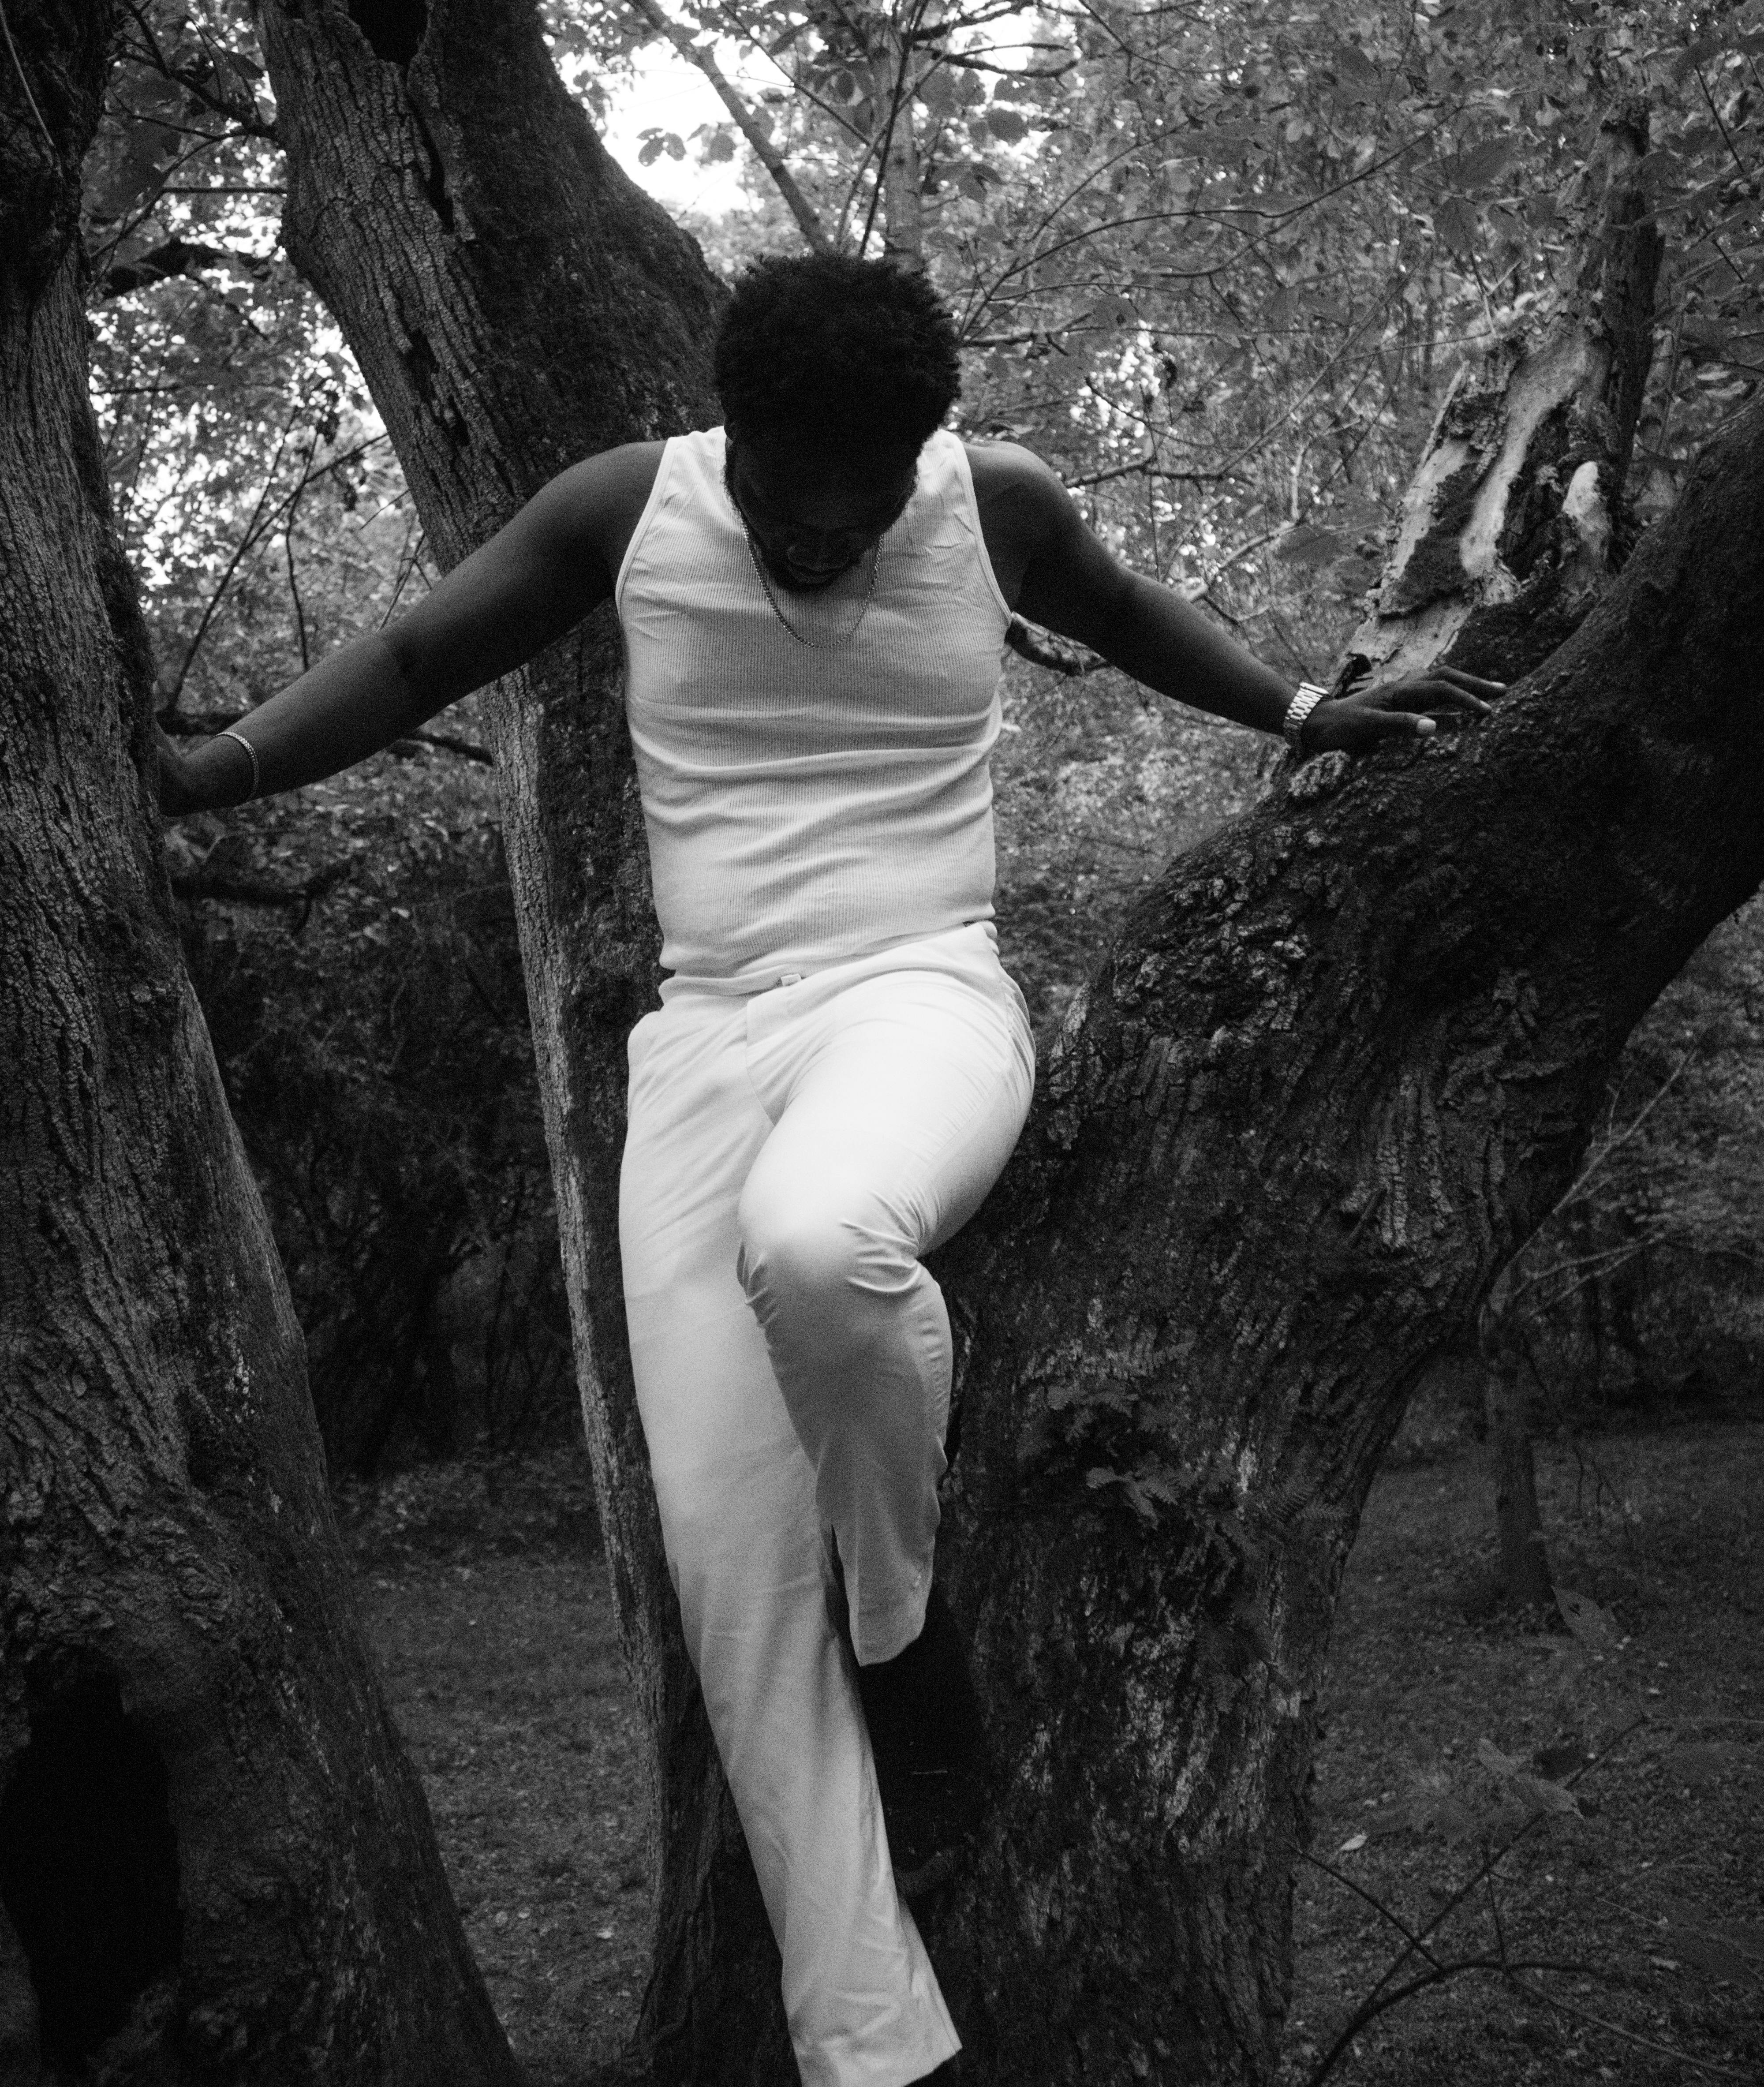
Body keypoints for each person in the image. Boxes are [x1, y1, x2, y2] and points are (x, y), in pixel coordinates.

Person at [159, 254, 1501, 2087]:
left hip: (919, 1002)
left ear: (917, 455)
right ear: (736, 437)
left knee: (822, 1246)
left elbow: (1121, 610)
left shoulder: (991, 507)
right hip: (704, 1045)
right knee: (724, 1567)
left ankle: (901, 1628)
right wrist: (208, 777)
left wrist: (1289, 712)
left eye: (851, 511)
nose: (813, 541)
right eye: (785, 506)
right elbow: (412, 654)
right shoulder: (628, 507)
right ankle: (875, 2044)